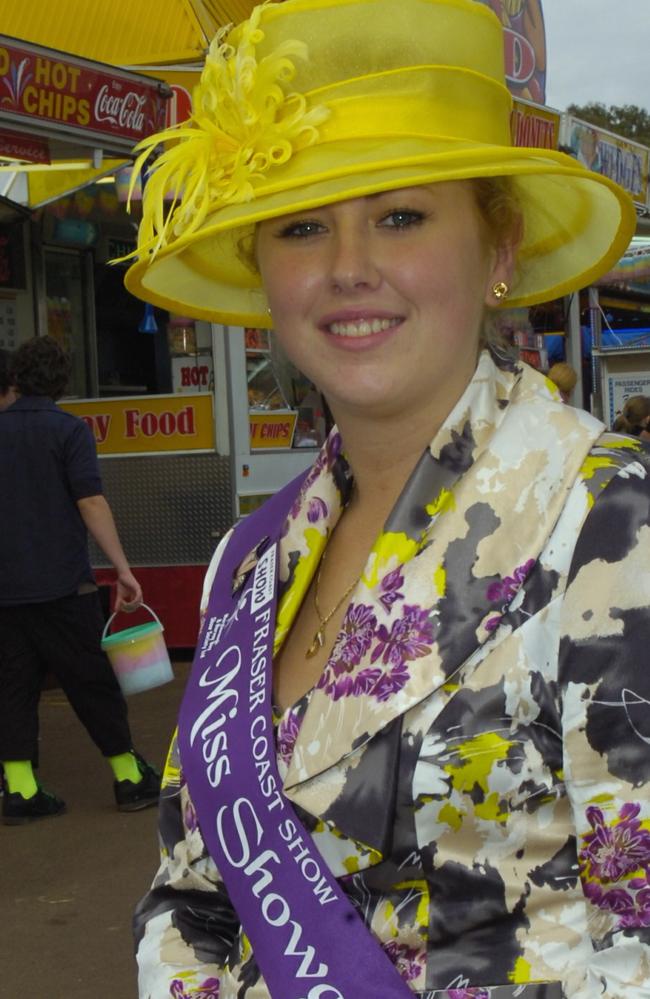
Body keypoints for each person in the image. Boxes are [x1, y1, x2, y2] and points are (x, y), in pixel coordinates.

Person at [125, 1, 650, 996]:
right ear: (263, 274)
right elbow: (187, 894)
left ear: (495, 252)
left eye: (399, 216)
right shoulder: (249, 559)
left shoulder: (607, 525)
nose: (346, 269)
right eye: (300, 228)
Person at [0, 335, 160, 824]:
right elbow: (90, 502)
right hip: (64, 586)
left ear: (17, 379)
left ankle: (21, 790)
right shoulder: (69, 431)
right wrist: (123, 568)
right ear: (61, 382)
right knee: (92, 683)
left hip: (5, 592)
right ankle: (129, 777)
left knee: (12, 687)